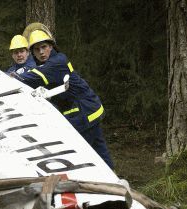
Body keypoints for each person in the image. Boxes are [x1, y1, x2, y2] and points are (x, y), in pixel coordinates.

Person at [14, 29, 114, 169]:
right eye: (37, 49)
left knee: (83, 156)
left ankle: (102, 183)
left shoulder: (56, 62)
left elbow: (30, 78)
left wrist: (5, 78)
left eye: (44, 47)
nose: (41, 52)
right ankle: (114, 180)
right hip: (88, 108)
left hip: (84, 112)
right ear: (33, 52)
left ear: (51, 46)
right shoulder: (50, 61)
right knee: (99, 150)